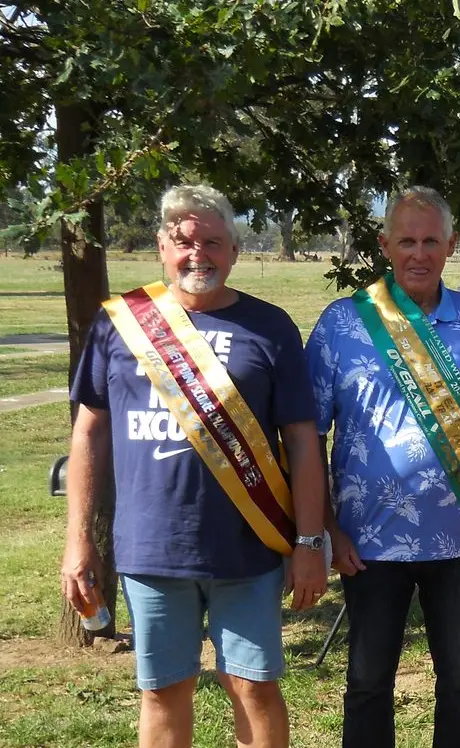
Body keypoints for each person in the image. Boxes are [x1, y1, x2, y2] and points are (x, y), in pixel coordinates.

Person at [61, 184, 327, 748]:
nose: (197, 254)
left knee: (254, 689)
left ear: (234, 250)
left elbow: (303, 440)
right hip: (152, 547)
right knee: (163, 692)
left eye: (212, 241)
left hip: (248, 547)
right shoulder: (119, 324)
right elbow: (89, 432)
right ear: (161, 246)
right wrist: (78, 541)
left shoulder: (271, 327)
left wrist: (309, 541)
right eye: (184, 242)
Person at [305, 186, 460, 748]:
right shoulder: (343, 324)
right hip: (367, 544)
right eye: (406, 241)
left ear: (451, 245)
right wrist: (328, 526)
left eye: (430, 241)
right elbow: (307, 435)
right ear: (384, 245)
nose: (418, 254)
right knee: (368, 682)